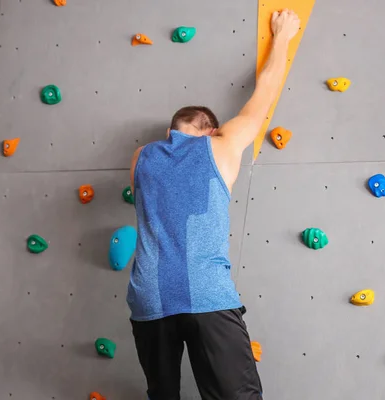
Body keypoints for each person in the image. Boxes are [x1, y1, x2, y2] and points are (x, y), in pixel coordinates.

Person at [126, 9, 301, 400]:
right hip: (205, 293)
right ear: (213, 129)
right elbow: (265, 94)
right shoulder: (221, 145)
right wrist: (283, 37)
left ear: (171, 130)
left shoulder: (141, 157)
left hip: (149, 297)